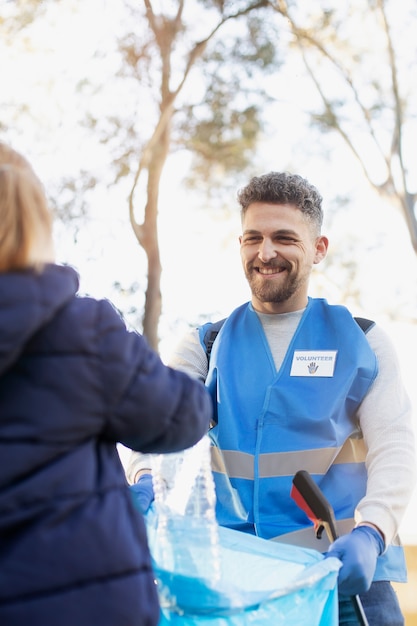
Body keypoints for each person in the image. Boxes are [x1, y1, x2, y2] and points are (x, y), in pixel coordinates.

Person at [127, 171, 417, 626]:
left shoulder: (364, 341)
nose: (266, 253)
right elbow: (154, 424)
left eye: (284, 238)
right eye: (253, 238)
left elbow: (395, 447)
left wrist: (373, 532)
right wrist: (146, 477)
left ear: (318, 248)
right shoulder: (204, 346)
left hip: (343, 575)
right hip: (242, 579)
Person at [0, 141, 212, 626]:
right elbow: (181, 418)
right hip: (88, 602)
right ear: (35, 222)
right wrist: (122, 346)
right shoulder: (82, 329)